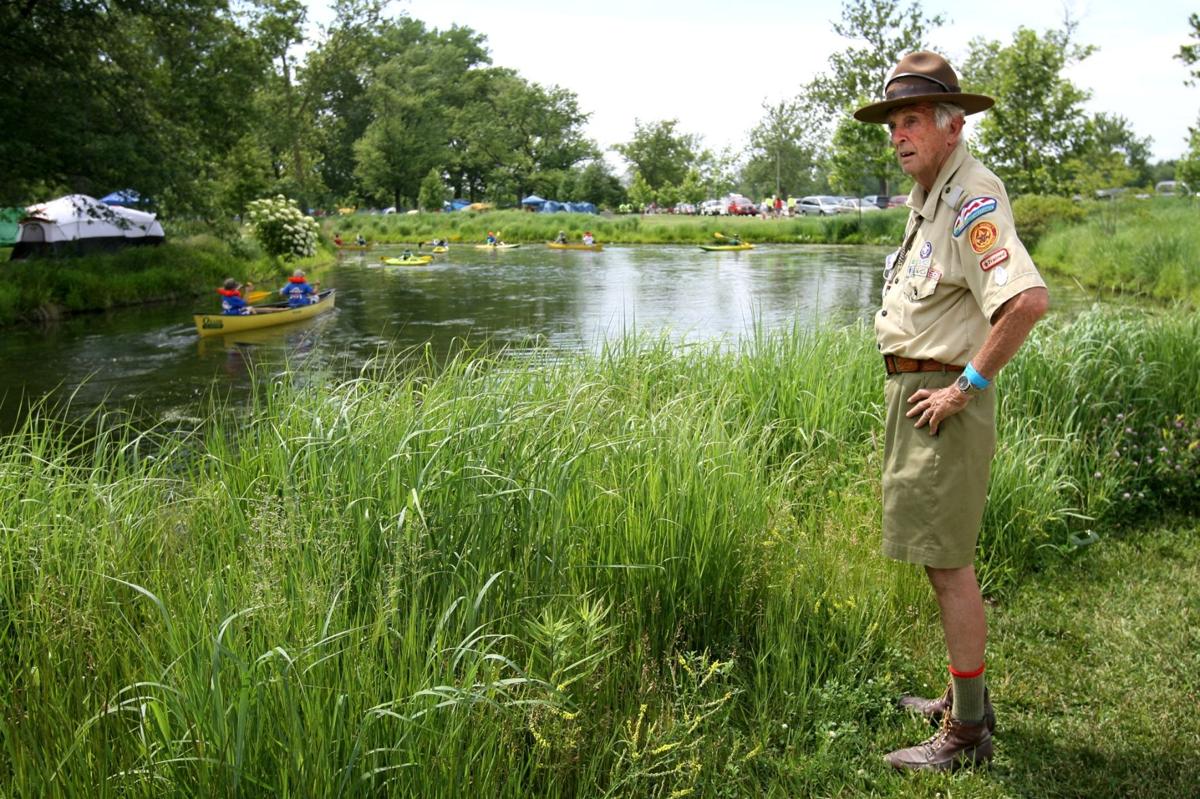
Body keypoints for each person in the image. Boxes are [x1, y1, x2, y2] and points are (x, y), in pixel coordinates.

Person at [852, 51, 1049, 772]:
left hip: (942, 401)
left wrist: (966, 386)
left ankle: (966, 735)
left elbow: (1025, 301)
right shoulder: (931, 194)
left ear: (952, 124)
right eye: (892, 122)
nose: (897, 134)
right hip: (918, 394)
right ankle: (964, 700)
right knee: (940, 560)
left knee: (948, 565)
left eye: (910, 120)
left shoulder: (972, 197)